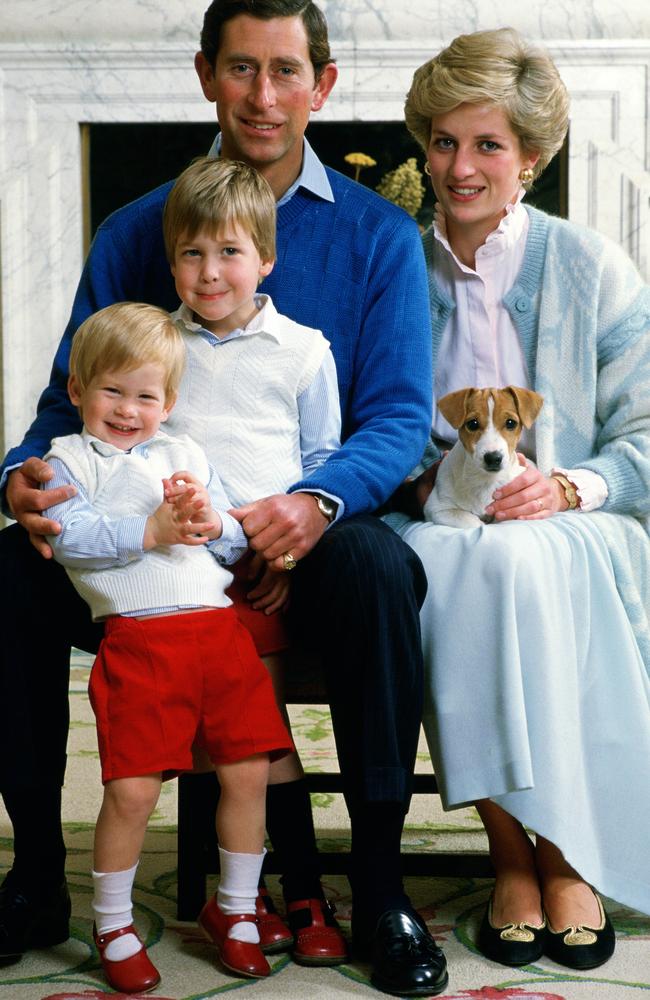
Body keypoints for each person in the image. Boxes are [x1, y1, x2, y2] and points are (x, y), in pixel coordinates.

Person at [0, 1, 448, 995]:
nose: (262, 95)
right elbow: (66, 394)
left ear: (321, 86)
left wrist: (312, 504)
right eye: (241, 69)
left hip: (301, 522)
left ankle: (376, 887)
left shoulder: (376, 238)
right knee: (7, 566)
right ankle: (35, 874)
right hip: (154, 533)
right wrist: (19, 473)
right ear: (206, 75)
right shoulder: (136, 227)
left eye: (285, 71)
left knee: (380, 566)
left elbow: (394, 417)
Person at [387, 26, 650, 971]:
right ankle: (511, 851)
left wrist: (570, 483)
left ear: (531, 160)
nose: (462, 167)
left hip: (574, 526)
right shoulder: (394, 268)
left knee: (522, 559)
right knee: (465, 559)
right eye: (446, 142)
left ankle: (564, 852)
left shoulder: (590, 268)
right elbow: (360, 426)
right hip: (441, 522)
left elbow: (648, 431)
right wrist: (435, 484)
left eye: (489, 144)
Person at [44, 301, 294, 991]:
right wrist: (149, 532)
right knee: (131, 790)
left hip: (217, 635)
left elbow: (235, 539)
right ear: (77, 391)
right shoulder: (64, 461)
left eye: (146, 395)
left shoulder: (185, 455)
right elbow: (72, 541)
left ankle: (237, 909)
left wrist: (211, 521)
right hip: (140, 641)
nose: (128, 409)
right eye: (111, 391)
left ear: (170, 402)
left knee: (246, 773)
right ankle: (114, 921)